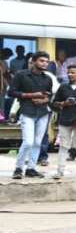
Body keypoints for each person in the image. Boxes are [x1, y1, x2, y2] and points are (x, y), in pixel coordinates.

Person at [6, 51, 55, 179]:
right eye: (41, 61)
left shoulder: (48, 78)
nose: (45, 64)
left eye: (46, 61)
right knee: (28, 142)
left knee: (38, 142)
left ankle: (31, 168)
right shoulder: (21, 75)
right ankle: (18, 168)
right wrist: (31, 95)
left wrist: (44, 100)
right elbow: (11, 92)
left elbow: (48, 95)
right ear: (33, 61)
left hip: (43, 113)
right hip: (27, 111)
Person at [0, 48, 10, 121]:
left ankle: (1, 118)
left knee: (2, 102)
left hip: (3, 86)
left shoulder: (4, 63)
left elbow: (6, 74)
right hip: (3, 85)